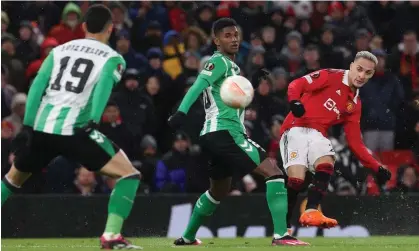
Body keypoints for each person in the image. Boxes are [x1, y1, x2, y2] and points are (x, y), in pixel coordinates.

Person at [0, 5, 141, 249]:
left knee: (11, 180)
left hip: (43, 128)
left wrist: (28, 126)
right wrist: (94, 120)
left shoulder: (58, 51)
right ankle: (110, 237)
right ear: (111, 29)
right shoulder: (112, 58)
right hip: (75, 129)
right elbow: (103, 86)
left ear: (84, 27)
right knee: (129, 175)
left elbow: (36, 87)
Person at [168, 18, 308, 246]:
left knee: (218, 190)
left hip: (216, 135)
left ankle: (188, 237)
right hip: (226, 132)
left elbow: (229, 99)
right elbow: (197, 85)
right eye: (227, 36)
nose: (233, 39)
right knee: (273, 171)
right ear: (216, 40)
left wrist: (250, 83)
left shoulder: (231, 67)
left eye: (235, 35)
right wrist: (181, 113)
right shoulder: (218, 62)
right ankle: (281, 235)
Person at [280, 51, 392, 230]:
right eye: (359, 69)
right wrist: (295, 102)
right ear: (351, 66)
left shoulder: (354, 104)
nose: (362, 75)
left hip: (318, 134)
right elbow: (296, 84)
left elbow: (355, 143)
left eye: (368, 73)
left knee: (327, 159)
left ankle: (311, 211)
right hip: (294, 128)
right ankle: (282, 227)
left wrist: (376, 166)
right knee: (297, 180)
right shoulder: (331, 76)